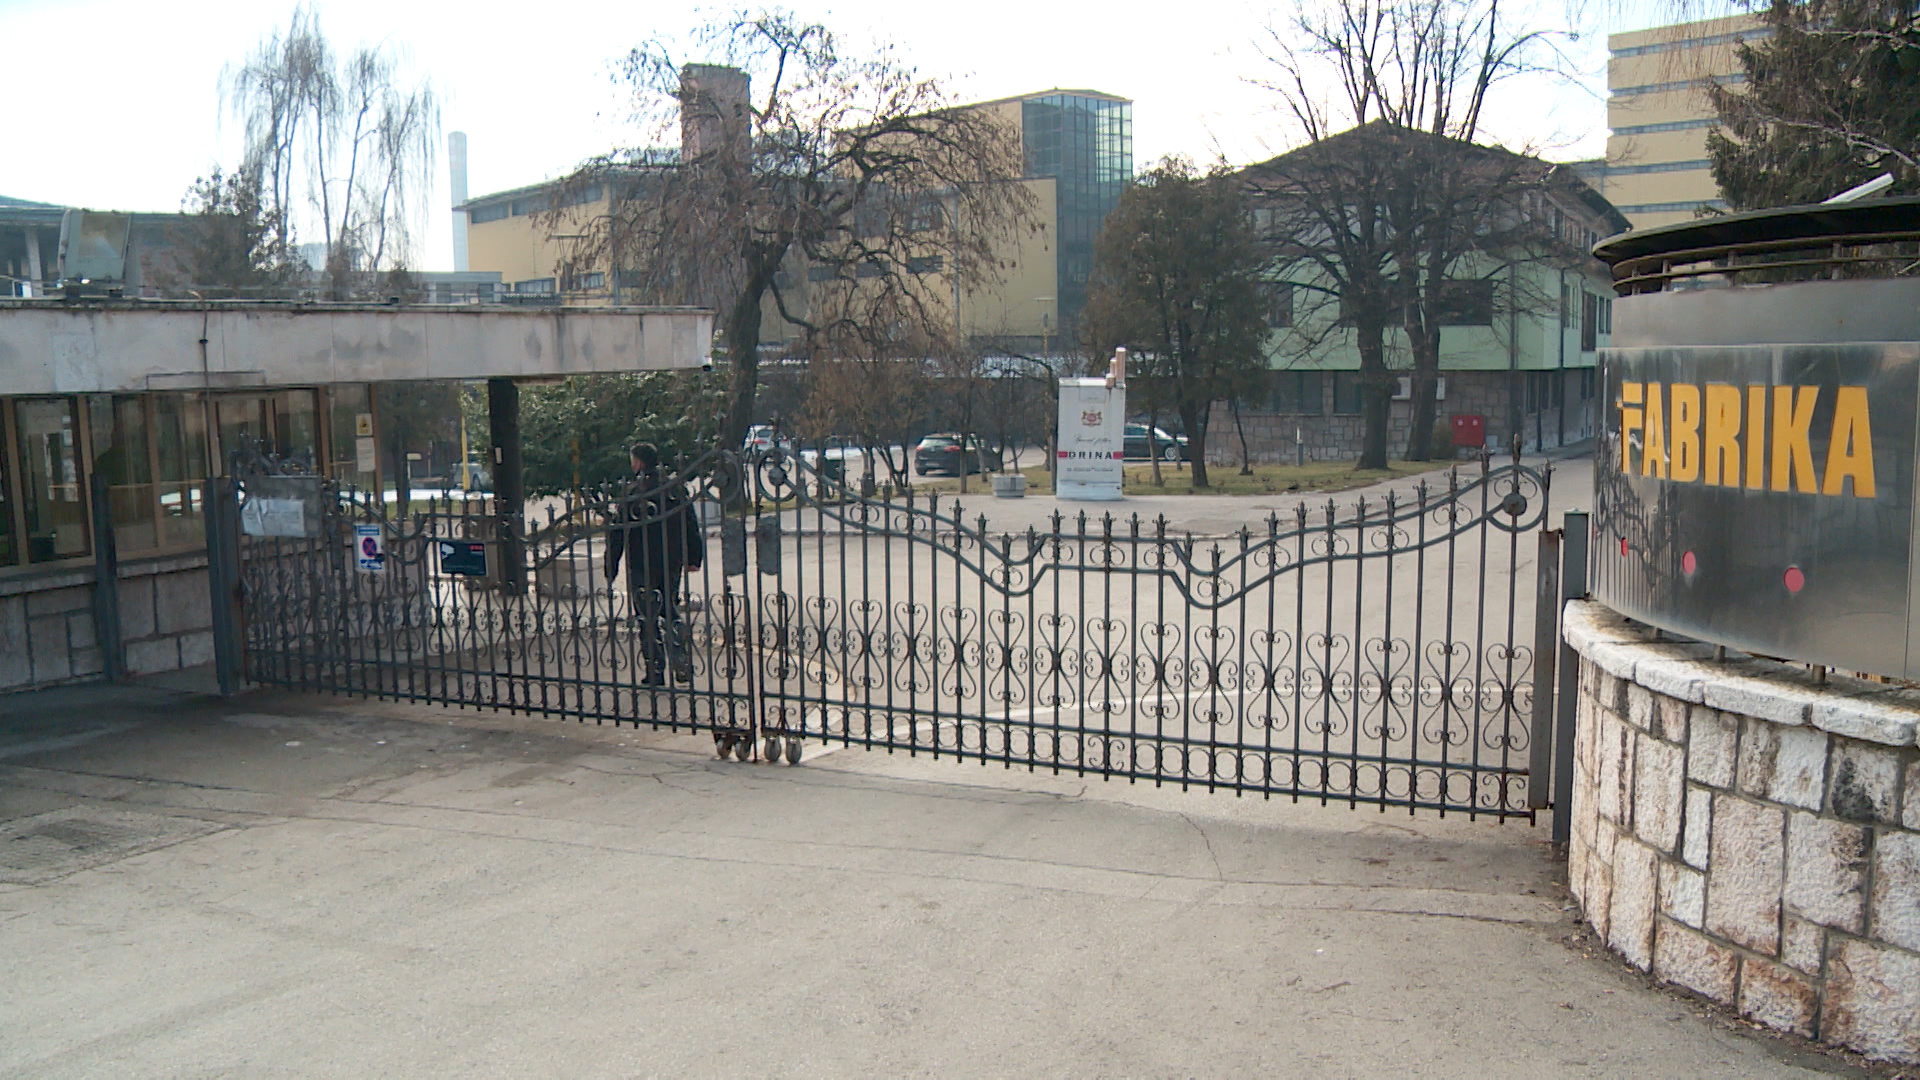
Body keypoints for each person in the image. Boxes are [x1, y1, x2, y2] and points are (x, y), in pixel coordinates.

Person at [604, 443, 705, 686]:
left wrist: (611, 565)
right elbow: (690, 523)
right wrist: (694, 557)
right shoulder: (674, 489)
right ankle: (681, 663)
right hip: (670, 561)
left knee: (647, 618)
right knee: (669, 611)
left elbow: (618, 533)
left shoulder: (632, 492)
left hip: (641, 563)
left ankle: (655, 670)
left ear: (638, 462)